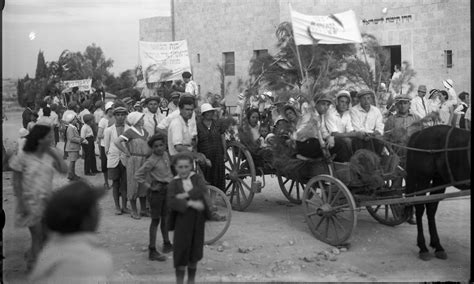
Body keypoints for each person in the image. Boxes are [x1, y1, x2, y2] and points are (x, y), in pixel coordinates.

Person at [9, 125, 68, 271]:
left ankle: (32, 257)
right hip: (30, 202)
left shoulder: (51, 154)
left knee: (47, 236)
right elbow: (16, 181)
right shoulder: (24, 155)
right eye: (48, 136)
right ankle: (35, 266)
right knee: (38, 235)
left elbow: (64, 170)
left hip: (47, 200)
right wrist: (21, 203)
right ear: (40, 139)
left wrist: (55, 155)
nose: (51, 138)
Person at [29, 181, 113, 282]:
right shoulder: (93, 259)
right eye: (95, 207)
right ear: (86, 219)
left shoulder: (49, 251)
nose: (99, 211)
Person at [167, 153, 212, 284]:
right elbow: (171, 201)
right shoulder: (173, 183)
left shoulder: (196, 178)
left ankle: (191, 280)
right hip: (182, 221)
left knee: (195, 251)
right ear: (175, 167)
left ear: (191, 167)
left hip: (197, 221)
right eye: (180, 167)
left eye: (187, 166)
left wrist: (185, 195)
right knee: (181, 251)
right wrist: (190, 203)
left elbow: (201, 189)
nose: (184, 170)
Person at [383, 95, 428, 225]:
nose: (403, 106)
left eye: (405, 103)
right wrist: (392, 153)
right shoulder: (391, 120)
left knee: (412, 186)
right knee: (396, 186)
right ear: (396, 105)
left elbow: (423, 137)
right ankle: (399, 215)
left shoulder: (416, 119)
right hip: (397, 156)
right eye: (400, 103)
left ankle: (411, 214)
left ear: (409, 105)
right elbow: (385, 139)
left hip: (413, 157)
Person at [135, 134, 174, 261]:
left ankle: (166, 243)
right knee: (155, 220)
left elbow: (168, 172)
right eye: (155, 146)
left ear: (165, 145)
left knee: (166, 218)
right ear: (152, 148)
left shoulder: (166, 155)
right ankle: (152, 250)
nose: (159, 148)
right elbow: (138, 175)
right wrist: (149, 187)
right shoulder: (151, 160)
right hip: (157, 193)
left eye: (161, 145)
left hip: (167, 190)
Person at [114, 111, 150, 219]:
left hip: (144, 160)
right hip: (134, 160)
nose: (143, 120)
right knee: (133, 184)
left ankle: (143, 209)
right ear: (137, 121)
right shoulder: (130, 132)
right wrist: (126, 151)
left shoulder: (145, 132)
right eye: (141, 118)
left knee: (144, 184)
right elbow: (117, 141)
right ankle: (134, 210)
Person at [104, 106, 129, 215]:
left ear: (125, 116)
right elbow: (106, 147)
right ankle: (117, 206)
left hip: (125, 158)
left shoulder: (129, 129)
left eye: (122, 115)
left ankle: (124, 206)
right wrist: (111, 155)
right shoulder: (109, 130)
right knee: (115, 183)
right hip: (113, 159)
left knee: (125, 183)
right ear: (114, 116)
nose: (120, 117)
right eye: (118, 115)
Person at [196, 103, 226, 192]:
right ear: (203, 114)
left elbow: (223, 138)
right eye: (207, 112)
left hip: (218, 155)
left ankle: (215, 199)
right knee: (206, 178)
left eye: (211, 112)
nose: (210, 114)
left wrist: (225, 153)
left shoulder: (218, 124)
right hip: (205, 156)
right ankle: (206, 200)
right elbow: (196, 141)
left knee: (218, 178)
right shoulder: (198, 125)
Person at [325, 90, 363, 155]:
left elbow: (350, 131)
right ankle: (349, 161)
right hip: (331, 140)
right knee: (347, 141)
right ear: (337, 102)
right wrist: (355, 134)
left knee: (358, 140)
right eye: (342, 101)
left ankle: (358, 159)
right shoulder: (331, 113)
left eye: (346, 102)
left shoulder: (347, 114)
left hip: (342, 138)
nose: (344, 104)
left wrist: (360, 134)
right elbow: (334, 134)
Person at [350, 90, 385, 154]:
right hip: (360, 136)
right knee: (360, 142)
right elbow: (356, 127)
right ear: (359, 100)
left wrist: (375, 133)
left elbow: (380, 125)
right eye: (363, 99)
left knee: (380, 141)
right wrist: (367, 134)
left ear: (371, 99)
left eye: (368, 98)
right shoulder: (354, 110)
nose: (366, 101)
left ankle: (376, 160)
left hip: (373, 135)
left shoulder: (376, 110)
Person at [64, 112, 87, 181]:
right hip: (72, 147)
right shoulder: (71, 128)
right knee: (72, 162)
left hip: (73, 147)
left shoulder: (73, 127)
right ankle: (71, 175)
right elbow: (71, 138)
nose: (76, 120)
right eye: (75, 119)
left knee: (73, 161)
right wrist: (80, 140)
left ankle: (72, 174)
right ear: (71, 120)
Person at [97, 101, 115, 190]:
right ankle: (106, 182)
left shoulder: (115, 119)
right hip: (105, 145)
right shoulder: (103, 121)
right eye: (111, 109)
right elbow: (99, 135)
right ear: (108, 110)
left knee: (114, 164)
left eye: (113, 108)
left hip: (114, 145)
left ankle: (114, 182)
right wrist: (108, 134)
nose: (113, 110)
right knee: (105, 165)